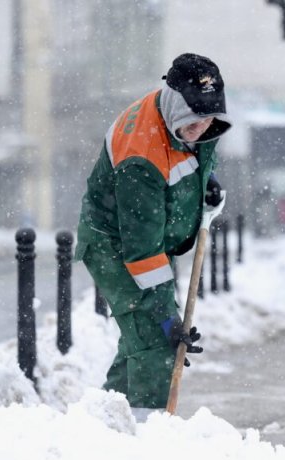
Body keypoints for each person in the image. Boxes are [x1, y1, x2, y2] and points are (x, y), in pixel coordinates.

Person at [74, 53, 231, 409]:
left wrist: (205, 182)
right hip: (113, 243)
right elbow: (142, 252)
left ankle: (109, 421)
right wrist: (165, 317)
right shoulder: (140, 159)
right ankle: (146, 436)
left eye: (209, 117)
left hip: (149, 236)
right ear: (175, 102)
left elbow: (192, 153)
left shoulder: (182, 119)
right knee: (158, 345)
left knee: (141, 340)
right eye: (193, 117)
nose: (201, 126)